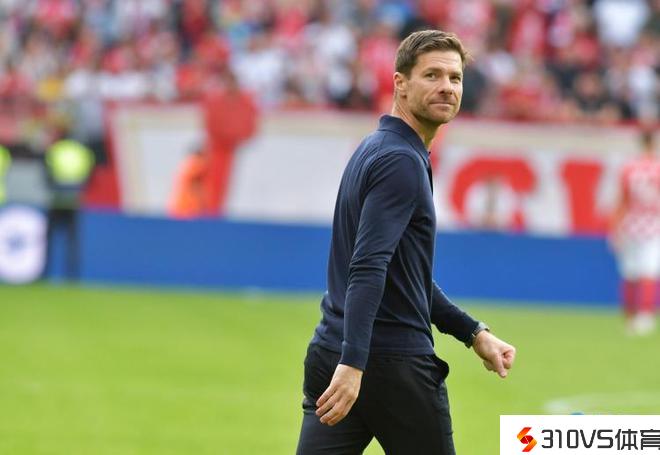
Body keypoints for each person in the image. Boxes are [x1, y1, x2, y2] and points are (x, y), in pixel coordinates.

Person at [296, 30, 516, 455]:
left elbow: (404, 275)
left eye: (454, 78)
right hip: (389, 363)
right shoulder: (401, 160)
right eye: (432, 75)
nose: (446, 87)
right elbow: (368, 265)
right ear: (400, 84)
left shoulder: (378, 147)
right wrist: (354, 363)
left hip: (332, 349)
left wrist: (473, 333)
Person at [609, 130, 660, 336]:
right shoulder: (657, 169)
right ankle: (645, 316)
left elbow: (621, 201)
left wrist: (614, 228)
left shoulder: (628, 169)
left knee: (629, 273)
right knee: (649, 271)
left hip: (630, 225)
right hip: (654, 226)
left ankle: (630, 318)